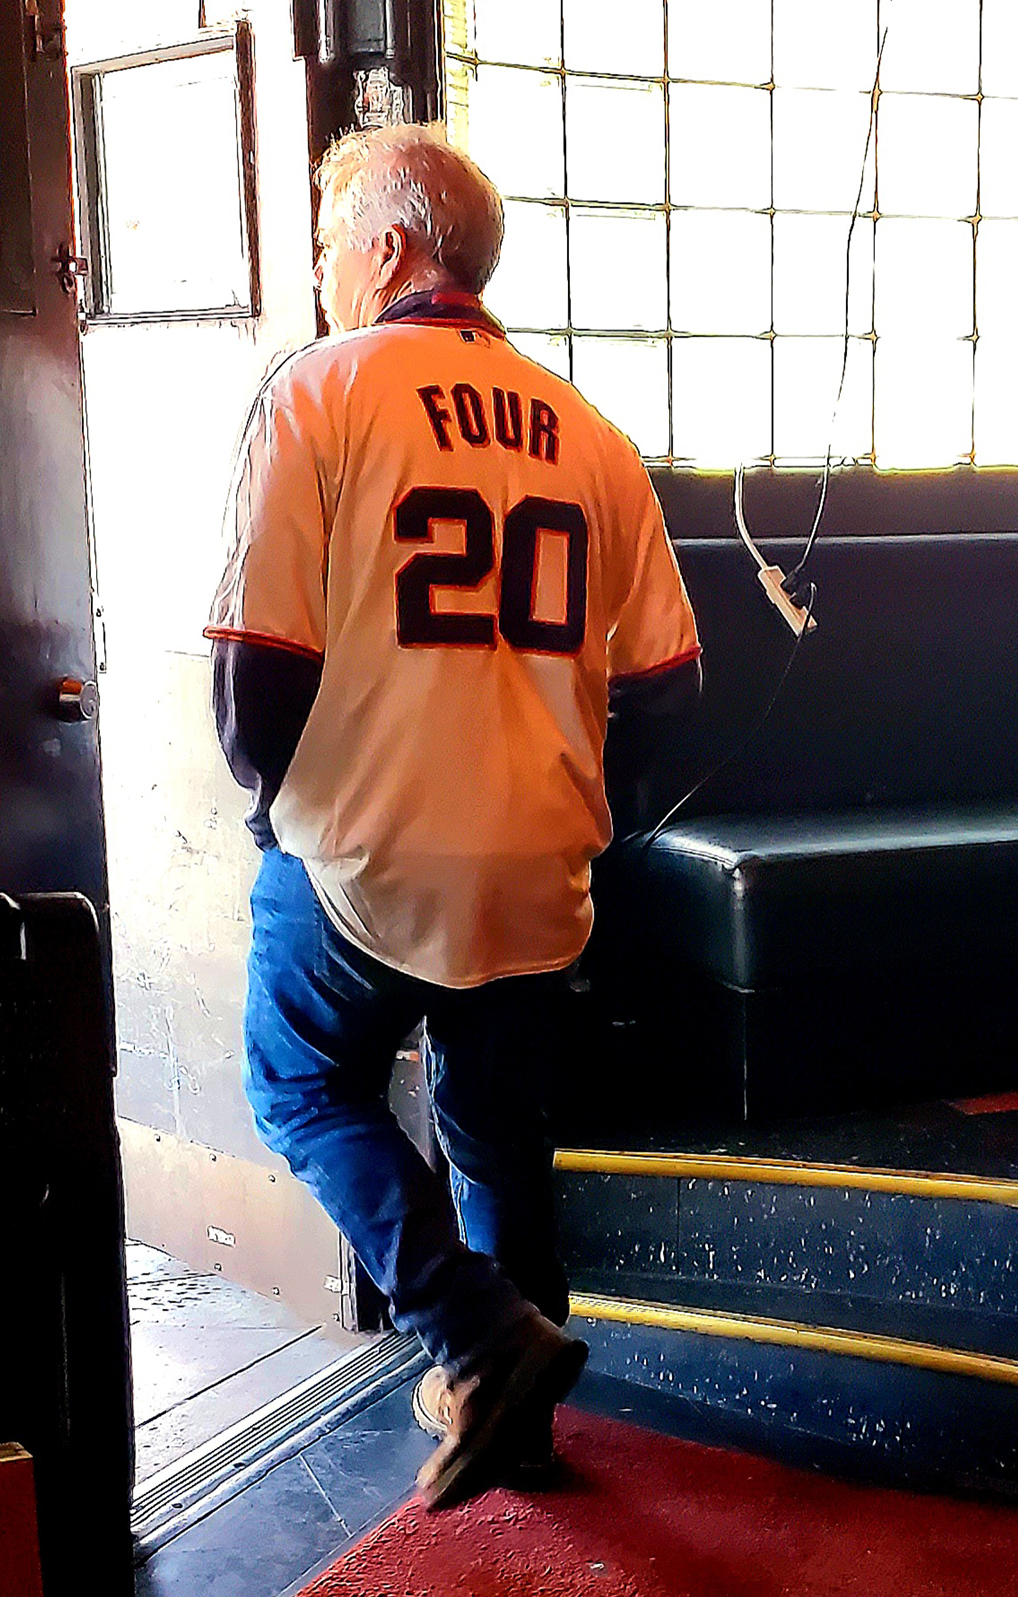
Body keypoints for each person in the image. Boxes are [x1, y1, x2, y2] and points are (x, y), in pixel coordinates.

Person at [207, 123, 701, 1510]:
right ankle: (519, 1421)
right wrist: (584, 812)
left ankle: (479, 1333)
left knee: (298, 1084)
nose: (322, 273)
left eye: (327, 245)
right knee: (497, 1128)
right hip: (538, 861)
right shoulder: (589, 432)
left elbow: (253, 681)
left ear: (387, 249)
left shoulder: (318, 393)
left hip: (365, 858)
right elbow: (673, 687)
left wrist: (275, 814)